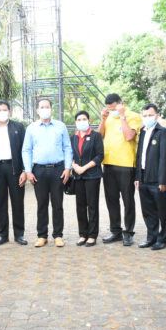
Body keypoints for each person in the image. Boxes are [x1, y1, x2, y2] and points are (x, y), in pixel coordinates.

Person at [22, 98, 72, 248]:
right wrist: (28, 170)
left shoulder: (60, 126)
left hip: (58, 169)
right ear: (37, 110)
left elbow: (67, 148)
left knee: (58, 204)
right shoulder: (31, 128)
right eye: (42, 107)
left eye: (47, 107)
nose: (45, 109)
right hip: (39, 171)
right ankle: (42, 235)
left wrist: (68, 168)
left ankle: (58, 235)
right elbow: (26, 150)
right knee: (41, 204)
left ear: (51, 109)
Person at [98, 93, 142, 246]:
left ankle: (128, 232)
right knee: (111, 200)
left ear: (122, 104)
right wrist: (103, 119)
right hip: (108, 163)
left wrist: (122, 116)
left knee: (128, 200)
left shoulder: (133, 116)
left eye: (114, 108)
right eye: (109, 109)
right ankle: (115, 231)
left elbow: (129, 136)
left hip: (126, 164)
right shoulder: (109, 117)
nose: (112, 111)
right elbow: (99, 136)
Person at [0, 101, 28, 246]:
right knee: (0, 203)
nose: (2, 112)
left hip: (15, 169)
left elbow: (25, 149)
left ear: (9, 111)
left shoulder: (18, 127)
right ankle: (2, 235)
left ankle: (19, 234)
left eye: (4, 110)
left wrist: (25, 170)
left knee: (18, 202)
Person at [134, 104, 166, 250]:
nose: (147, 118)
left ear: (157, 115)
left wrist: (163, 180)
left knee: (162, 211)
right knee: (148, 210)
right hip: (143, 177)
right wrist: (137, 177)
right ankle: (151, 237)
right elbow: (139, 155)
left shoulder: (163, 132)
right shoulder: (143, 131)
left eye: (150, 115)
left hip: (157, 179)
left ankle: (163, 239)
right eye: (145, 115)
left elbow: (164, 157)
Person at [70, 110, 104, 247]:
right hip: (78, 176)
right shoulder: (74, 137)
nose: (81, 121)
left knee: (92, 205)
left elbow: (100, 156)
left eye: (84, 119)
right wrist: (74, 166)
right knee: (80, 206)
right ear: (76, 122)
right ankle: (83, 234)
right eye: (79, 120)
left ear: (89, 121)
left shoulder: (96, 136)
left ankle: (92, 235)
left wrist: (84, 168)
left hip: (92, 175)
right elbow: (70, 155)